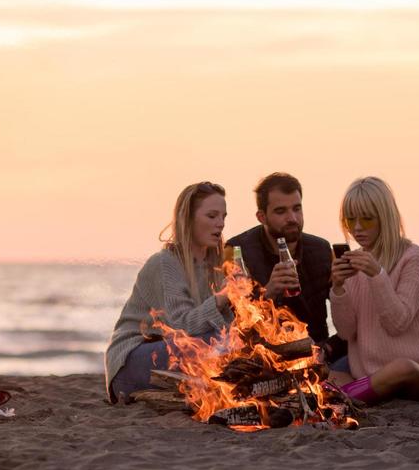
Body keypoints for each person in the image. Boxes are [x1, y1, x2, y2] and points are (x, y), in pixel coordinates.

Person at [104, 181, 235, 402]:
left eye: (223, 217)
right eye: (212, 216)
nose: (220, 224)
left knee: (234, 342)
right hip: (131, 362)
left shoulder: (216, 265)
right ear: (189, 219)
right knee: (211, 344)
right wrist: (222, 299)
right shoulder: (165, 263)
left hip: (178, 357)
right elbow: (181, 327)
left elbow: (226, 327)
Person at [328, 176, 419, 404]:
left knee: (402, 368)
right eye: (351, 220)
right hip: (367, 375)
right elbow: (346, 332)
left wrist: (377, 275)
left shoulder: (413, 257)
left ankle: (347, 396)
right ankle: (353, 393)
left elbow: (397, 322)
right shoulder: (355, 261)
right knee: (323, 372)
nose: (358, 228)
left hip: (414, 373)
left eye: (367, 220)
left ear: (385, 217)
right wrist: (338, 288)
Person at [225, 172, 340, 359]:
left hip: (317, 353)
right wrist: (268, 292)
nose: (292, 218)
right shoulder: (238, 251)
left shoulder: (322, 249)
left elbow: (348, 320)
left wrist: (326, 350)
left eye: (297, 208)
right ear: (261, 216)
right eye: (281, 211)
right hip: (264, 359)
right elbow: (232, 323)